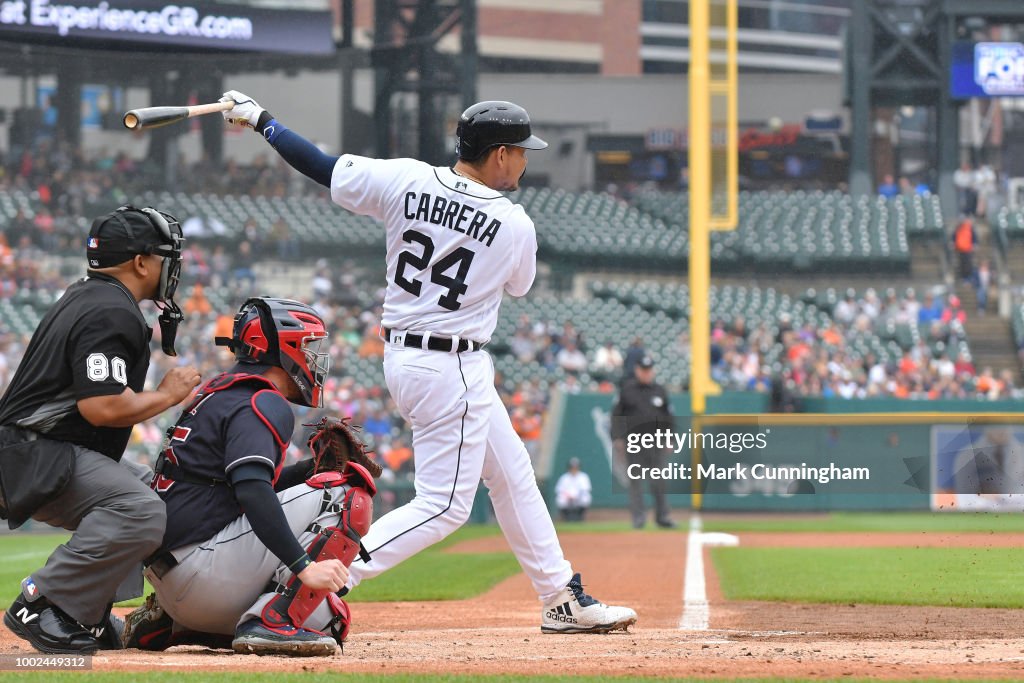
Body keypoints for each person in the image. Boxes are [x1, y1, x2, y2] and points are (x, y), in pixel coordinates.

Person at [216, 91, 636, 634]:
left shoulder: (407, 179)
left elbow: (322, 167)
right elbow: (521, 286)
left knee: (512, 476)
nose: (527, 160)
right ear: (500, 154)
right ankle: (314, 581)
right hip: (451, 364)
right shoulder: (512, 223)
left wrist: (262, 121)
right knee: (443, 507)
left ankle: (560, 596)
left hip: (409, 355)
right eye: (522, 150)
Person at [121, 297, 381, 656]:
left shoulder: (222, 392)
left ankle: (175, 624)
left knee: (326, 617)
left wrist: (307, 472)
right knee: (347, 492)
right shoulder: (263, 401)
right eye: (308, 346)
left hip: (175, 577)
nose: (314, 358)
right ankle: (271, 623)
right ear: (284, 348)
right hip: (203, 575)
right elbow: (253, 493)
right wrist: (304, 568)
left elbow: (235, 489)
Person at [0, 205, 200, 654]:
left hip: (40, 449)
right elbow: (102, 407)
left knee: (154, 492)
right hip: (35, 452)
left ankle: (83, 613)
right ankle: (45, 604)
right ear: (142, 262)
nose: (173, 268)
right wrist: (170, 394)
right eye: (167, 257)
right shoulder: (111, 309)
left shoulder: (91, 296)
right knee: (141, 509)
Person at [611, 356, 676, 529]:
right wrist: (618, 437)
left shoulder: (660, 390)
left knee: (659, 481)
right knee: (636, 482)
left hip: (656, 442)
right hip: (634, 441)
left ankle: (662, 517)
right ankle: (638, 518)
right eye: (643, 370)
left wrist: (670, 438)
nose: (647, 373)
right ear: (637, 370)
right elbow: (617, 416)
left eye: (649, 370)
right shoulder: (627, 390)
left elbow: (669, 417)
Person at [555, 458, 592, 522]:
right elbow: (559, 490)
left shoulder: (583, 476)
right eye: (572, 467)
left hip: (579, 497)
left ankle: (580, 516)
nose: (574, 469)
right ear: (569, 467)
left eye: (575, 467)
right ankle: (566, 517)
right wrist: (568, 496)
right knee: (560, 499)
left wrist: (576, 496)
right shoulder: (564, 477)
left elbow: (585, 489)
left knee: (586, 498)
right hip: (567, 498)